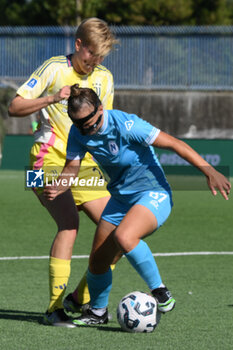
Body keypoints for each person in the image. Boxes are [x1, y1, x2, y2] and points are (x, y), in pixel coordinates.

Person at [44, 84, 231, 325]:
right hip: (121, 199)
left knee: (125, 236)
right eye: (80, 124)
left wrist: (209, 171)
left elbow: (175, 144)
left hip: (153, 194)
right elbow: (71, 168)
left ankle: (161, 292)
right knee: (98, 262)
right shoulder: (78, 132)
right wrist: (59, 185)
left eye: (90, 123)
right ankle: (98, 312)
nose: (87, 130)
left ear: (101, 109)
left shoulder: (127, 125)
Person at [8, 18, 118, 328]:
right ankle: (53, 309)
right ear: (78, 45)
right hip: (42, 161)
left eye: (100, 58)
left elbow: (104, 127)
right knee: (69, 224)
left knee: (122, 232)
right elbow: (14, 107)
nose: (93, 63)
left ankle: (79, 298)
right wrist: (53, 97)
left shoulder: (105, 79)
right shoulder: (54, 68)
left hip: (84, 165)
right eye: (90, 55)